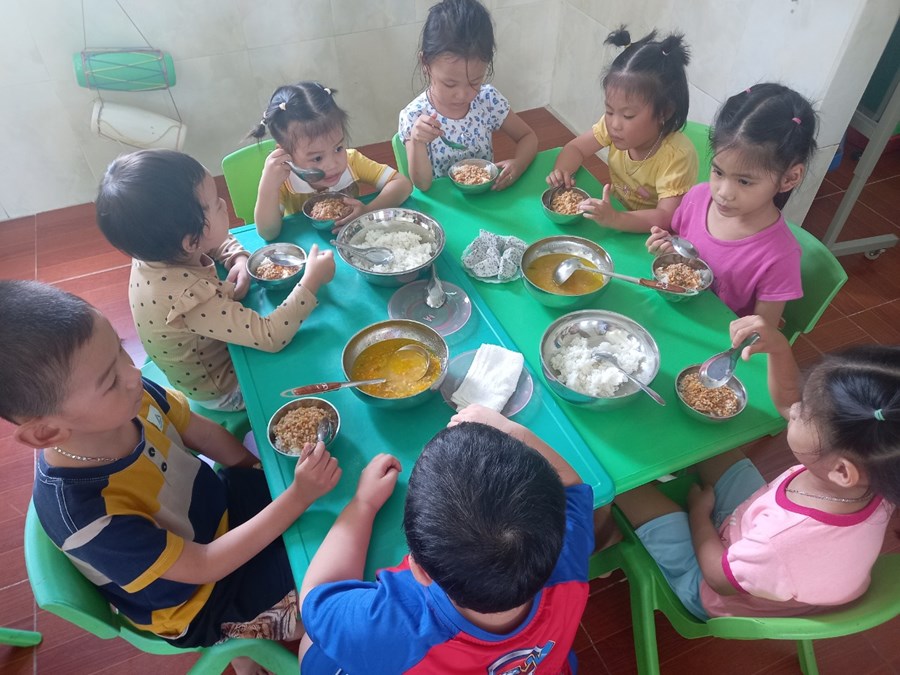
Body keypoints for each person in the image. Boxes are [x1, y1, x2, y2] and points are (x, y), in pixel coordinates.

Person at [0, 280, 342, 671]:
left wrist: (254, 471)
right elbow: (206, 566)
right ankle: (244, 646)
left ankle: (249, 649)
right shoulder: (88, 517)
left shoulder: (131, 395)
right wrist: (296, 497)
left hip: (218, 513)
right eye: (110, 381)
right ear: (46, 432)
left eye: (120, 349)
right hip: (202, 597)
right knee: (331, 588)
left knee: (328, 505)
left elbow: (203, 433)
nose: (133, 373)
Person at [611, 314, 898, 620]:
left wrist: (699, 514)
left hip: (709, 587)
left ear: (841, 471)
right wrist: (779, 349)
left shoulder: (779, 542)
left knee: (622, 483)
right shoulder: (881, 473)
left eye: (804, 413)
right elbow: (789, 403)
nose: (795, 408)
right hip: (753, 526)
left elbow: (717, 578)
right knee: (711, 441)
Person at [297, 405, 594, 674]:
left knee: (311, 646)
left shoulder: (392, 623)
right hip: (545, 663)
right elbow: (572, 487)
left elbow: (314, 596)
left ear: (419, 571)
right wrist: (512, 430)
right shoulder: (568, 553)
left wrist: (363, 504)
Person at [96, 148, 335, 411]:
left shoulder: (156, 248)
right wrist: (311, 281)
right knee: (318, 361)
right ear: (190, 241)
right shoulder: (187, 297)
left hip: (209, 346)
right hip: (226, 388)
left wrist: (237, 258)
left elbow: (211, 239)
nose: (223, 203)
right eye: (215, 205)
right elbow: (271, 335)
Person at [646, 83, 818, 327]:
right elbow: (679, 243)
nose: (723, 193)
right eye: (718, 172)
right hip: (671, 315)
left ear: (789, 178)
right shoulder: (697, 197)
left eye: (744, 181)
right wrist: (668, 247)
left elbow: (760, 332)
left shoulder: (779, 256)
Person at [547, 27, 697, 232]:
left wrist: (616, 219)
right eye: (609, 111)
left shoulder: (676, 156)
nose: (614, 124)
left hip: (652, 235)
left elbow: (665, 217)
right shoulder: (612, 126)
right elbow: (575, 148)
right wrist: (562, 172)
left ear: (664, 112)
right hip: (617, 215)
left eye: (628, 116)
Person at [398, 0, 538, 192]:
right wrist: (417, 141)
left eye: (474, 82)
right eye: (450, 84)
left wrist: (519, 164)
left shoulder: (488, 100)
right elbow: (422, 185)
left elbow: (528, 137)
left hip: (486, 197)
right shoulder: (415, 116)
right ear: (426, 63)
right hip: (443, 203)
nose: (462, 95)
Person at [251, 81, 412, 240]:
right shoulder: (283, 181)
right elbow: (268, 233)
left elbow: (402, 185)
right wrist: (268, 186)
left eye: (338, 148)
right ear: (285, 153)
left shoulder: (352, 161)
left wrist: (367, 211)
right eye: (317, 158)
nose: (332, 164)